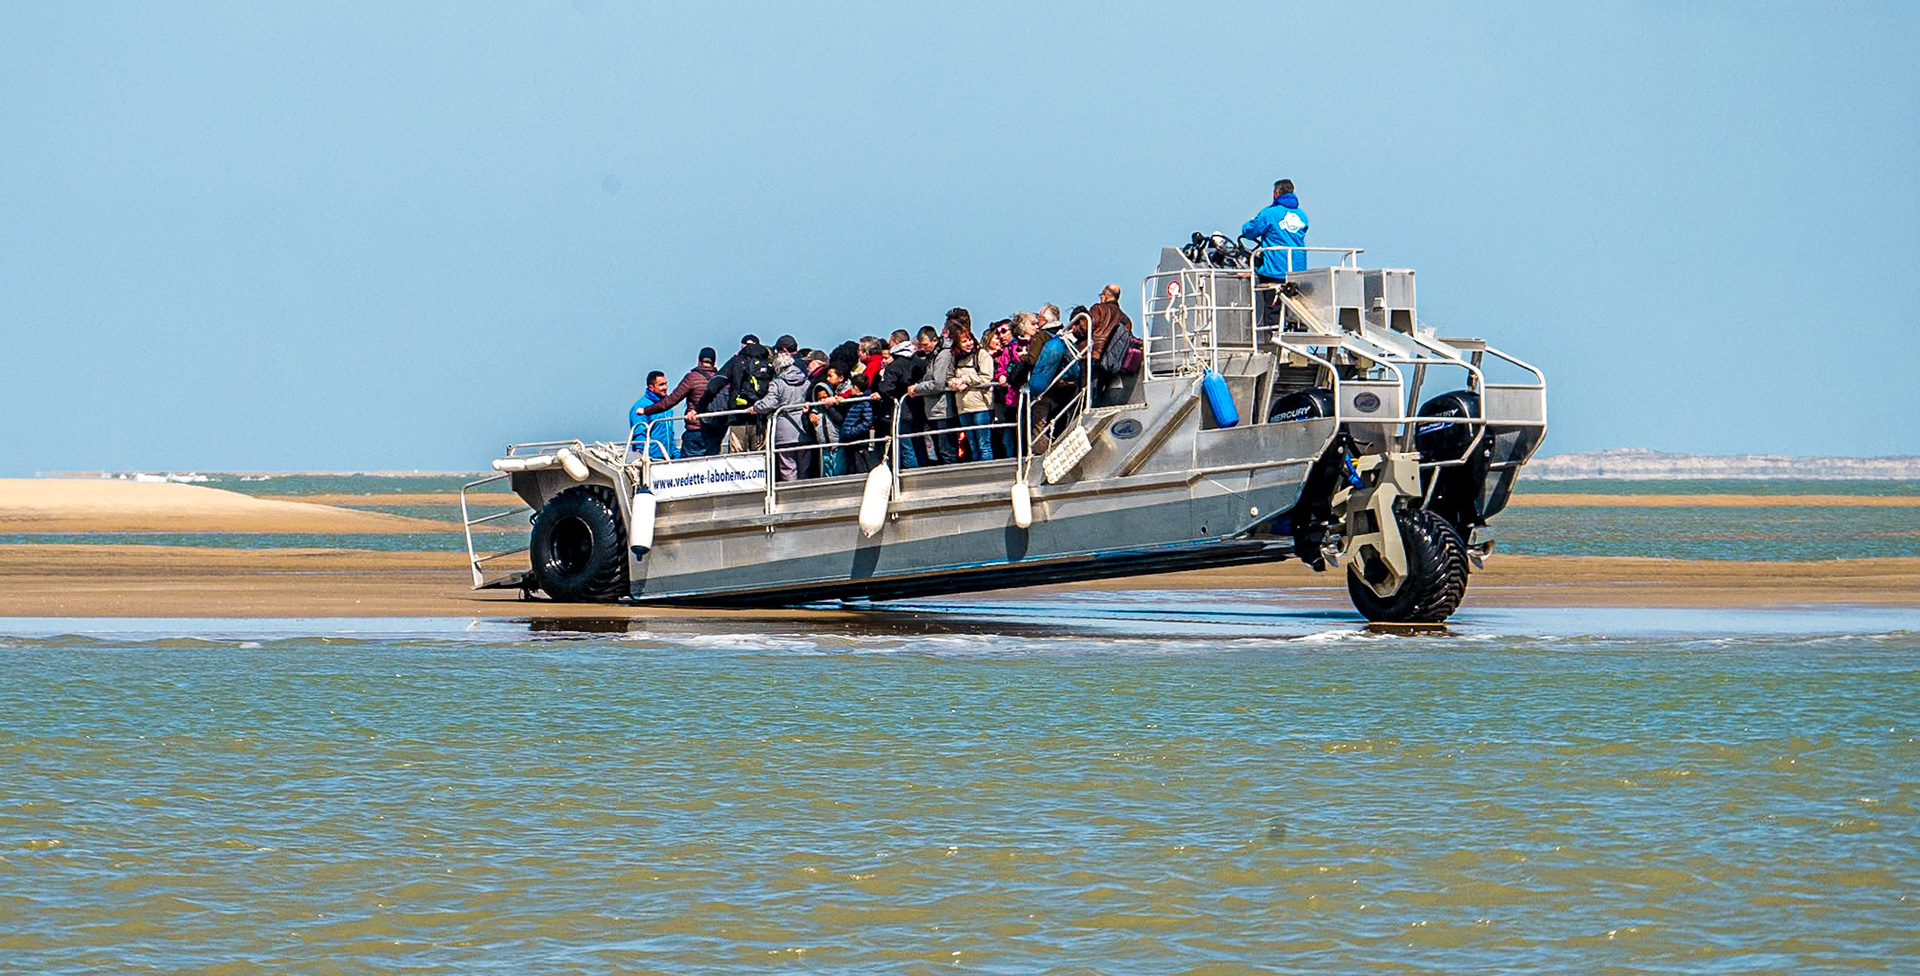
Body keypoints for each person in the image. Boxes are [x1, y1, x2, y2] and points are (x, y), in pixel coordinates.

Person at [1242, 178, 1309, 331]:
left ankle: (1271, 341)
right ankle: (1298, 337)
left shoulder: (1269, 213)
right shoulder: (1302, 215)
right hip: (1297, 272)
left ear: (1276, 193)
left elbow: (1249, 231)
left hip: (1276, 270)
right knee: (1296, 311)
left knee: (1273, 310)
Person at [699, 337, 775, 454]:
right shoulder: (768, 362)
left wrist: (700, 408)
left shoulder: (736, 361)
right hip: (761, 419)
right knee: (761, 459)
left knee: (737, 461)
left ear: (742, 346)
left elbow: (714, 386)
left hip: (738, 417)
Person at [641, 347, 718, 457]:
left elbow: (671, 401)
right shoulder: (721, 379)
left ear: (698, 360)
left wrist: (646, 410)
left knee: (689, 469)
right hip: (715, 432)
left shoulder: (692, 378)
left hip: (696, 431)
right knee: (711, 467)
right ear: (714, 362)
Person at [749, 348, 811, 481]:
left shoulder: (777, 383)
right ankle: (805, 496)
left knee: (788, 469)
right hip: (805, 430)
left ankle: (792, 497)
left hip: (784, 432)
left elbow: (769, 403)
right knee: (804, 469)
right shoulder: (806, 382)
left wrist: (756, 407)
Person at [907, 322, 959, 465]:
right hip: (934, 409)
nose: (923, 349)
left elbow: (938, 383)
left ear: (934, 340)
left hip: (943, 409)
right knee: (940, 450)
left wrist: (917, 388)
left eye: (925, 344)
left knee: (946, 450)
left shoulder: (943, 355)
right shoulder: (933, 355)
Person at [876, 328, 926, 468]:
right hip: (919, 409)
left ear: (896, 342)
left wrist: (889, 396)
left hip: (902, 411)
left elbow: (885, 389)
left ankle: (913, 475)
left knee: (906, 446)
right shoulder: (919, 362)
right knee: (919, 443)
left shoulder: (894, 366)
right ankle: (924, 470)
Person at [950, 325, 996, 461]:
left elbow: (987, 377)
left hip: (981, 405)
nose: (969, 344)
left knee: (984, 444)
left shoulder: (981, 355)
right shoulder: (955, 359)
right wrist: (954, 383)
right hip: (963, 407)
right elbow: (949, 377)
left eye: (970, 340)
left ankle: (988, 472)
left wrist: (966, 379)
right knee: (972, 445)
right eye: (964, 341)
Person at [629, 370, 679, 460]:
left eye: (666, 384)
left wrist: (676, 455)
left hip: (668, 457)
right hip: (651, 459)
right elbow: (639, 435)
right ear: (651, 387)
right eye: (661, 385)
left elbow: (670, 433)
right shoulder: (640, 407)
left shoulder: (667, 407)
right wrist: (643, 457)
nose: (665, 387)